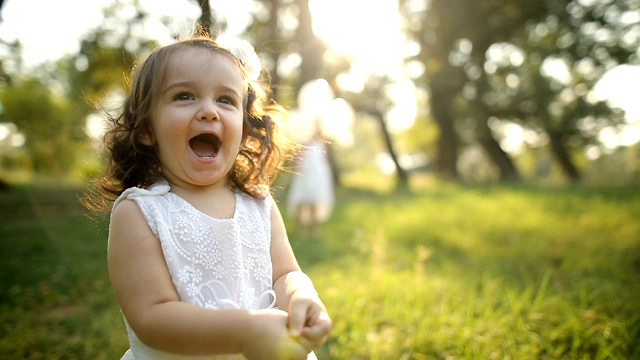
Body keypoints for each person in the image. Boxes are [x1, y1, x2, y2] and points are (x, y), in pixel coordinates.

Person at [84, 30, 331, 360]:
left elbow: (285, 273)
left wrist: (302, 296)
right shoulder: (140, 212)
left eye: (226, 100)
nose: (209, 111)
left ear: (244, 127)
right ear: (146, 128)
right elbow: (151, 317)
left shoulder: (259, 203)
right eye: (184, 96)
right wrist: (243, 332)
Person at [287, 123, 334, 238]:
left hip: (317, 175)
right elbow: (296, 159)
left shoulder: (321, 143)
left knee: (314, 201)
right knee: (300, 200)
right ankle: (300, 229)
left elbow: (324, 161)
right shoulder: (303, 142)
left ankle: (315, 227)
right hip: (304, 174)